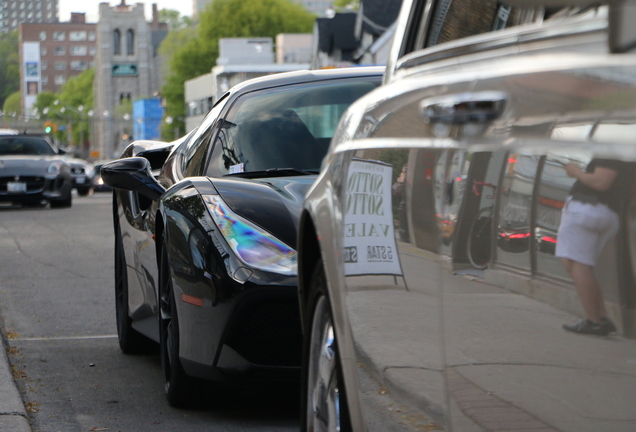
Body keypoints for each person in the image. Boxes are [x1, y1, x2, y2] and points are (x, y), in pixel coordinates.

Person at [557, 158, 627, 336]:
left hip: (586, 208)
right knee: (577, 264)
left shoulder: (610, 146)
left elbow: (602, 182)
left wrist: (575, 171)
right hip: (610, 212)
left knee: (576, 262)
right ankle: (601, 316)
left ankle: (593, 321)